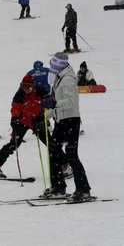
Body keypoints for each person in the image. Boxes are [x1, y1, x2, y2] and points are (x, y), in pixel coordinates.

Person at [0, 75, 66, 178]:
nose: (26, 89)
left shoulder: (40, 91)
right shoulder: (20, 94)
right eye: (23, 86)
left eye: (28, 87)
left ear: (33, 85)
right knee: (14, 144)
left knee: (50, 143)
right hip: (22, 121)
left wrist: (47, 106)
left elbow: (49, 102)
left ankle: (65, 164)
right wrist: (14, 118)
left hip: (37, 120)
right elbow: (16, 107)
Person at [40, 52, 91, 201]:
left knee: (71, 155)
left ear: (59, 65)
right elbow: (57, 106)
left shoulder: (68, 79)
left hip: (71, 121)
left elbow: (70, 102)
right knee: (53, 152)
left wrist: (54, 104)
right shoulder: (59, 78)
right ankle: (58, 188)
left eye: (53, 64)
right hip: (61, 121)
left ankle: (83, 190)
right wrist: (43, 116)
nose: (51, 67)